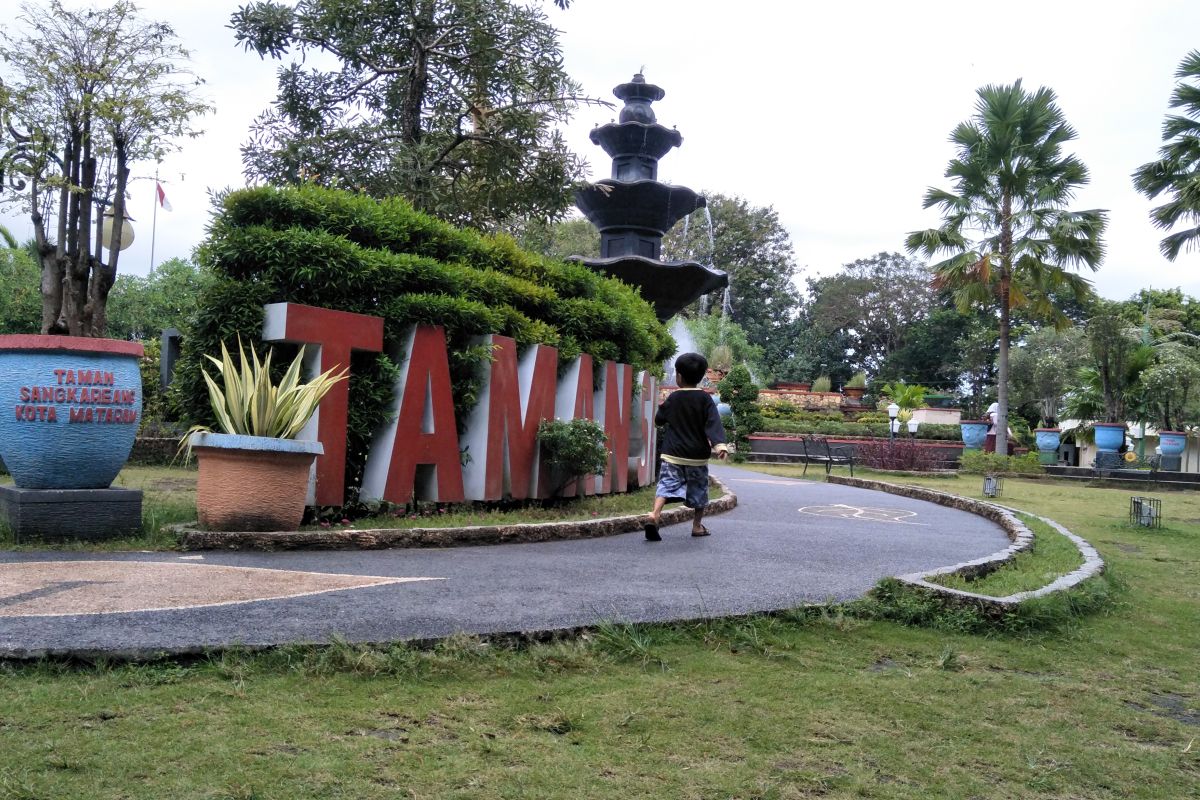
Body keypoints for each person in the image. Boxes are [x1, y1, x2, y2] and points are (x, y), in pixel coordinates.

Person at [644, 352, 729, 542]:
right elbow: (713, 423)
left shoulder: (673, 398)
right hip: (696, 456)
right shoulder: (706, 399)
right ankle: (697, 526)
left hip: (672, 453)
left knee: (666, 485)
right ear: (701, 378)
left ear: (679, 376)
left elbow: (659, 420)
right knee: (699, 490)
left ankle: (655, 514)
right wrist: (720, 446)